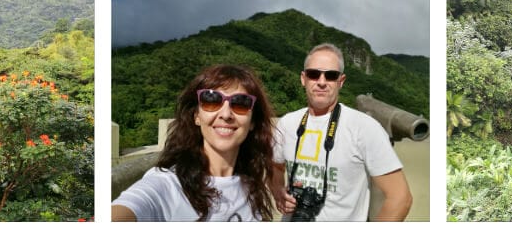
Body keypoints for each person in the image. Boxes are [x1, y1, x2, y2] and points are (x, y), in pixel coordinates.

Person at [112, 64, 277, 221]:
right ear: (196, 116)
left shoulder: (249, 184)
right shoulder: (169, 185)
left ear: (252, 121)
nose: (226, 114)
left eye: (241, 103)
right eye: (211, 100)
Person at [272, 43, 413, 221]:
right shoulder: (287, 124)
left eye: (330, 76)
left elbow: (400, 198)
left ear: (341, 81)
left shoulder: (365, 128)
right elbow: (274, 165)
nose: (321, 82)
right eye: (313, 74)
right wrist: (277, 189)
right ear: (303, 78)